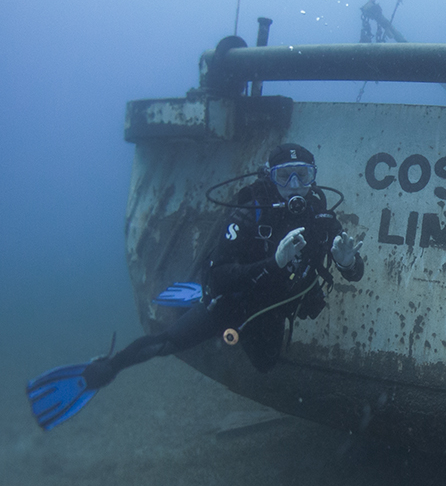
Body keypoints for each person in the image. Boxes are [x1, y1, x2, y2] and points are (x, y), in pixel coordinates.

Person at [27, 143, 364, 430]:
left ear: (313, 178)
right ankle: (104, 368)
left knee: (265, 364)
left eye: (302, 175)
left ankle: (231, 333)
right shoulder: (249, 215)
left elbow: (353, 273)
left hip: (271, 311)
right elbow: (219, 276)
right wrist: (272, 263)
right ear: (269, 178)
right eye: (285, 175)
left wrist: (349, 263)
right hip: (230, 302)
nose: (294, 185)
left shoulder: (322, 220)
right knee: (168, 343)